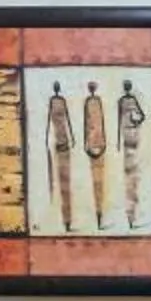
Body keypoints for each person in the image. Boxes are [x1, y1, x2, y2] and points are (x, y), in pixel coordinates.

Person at [43, 80, 77, 232]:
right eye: (56, 86)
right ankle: (65, 221)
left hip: (65, 144)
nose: (57, 88)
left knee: (66, 183)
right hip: (57, 143)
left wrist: (73, 137)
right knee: (61, 182)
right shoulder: (52, 101)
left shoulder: (62, 101)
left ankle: (68, 221)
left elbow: (68, 119)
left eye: (57, 87)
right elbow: (48, 122)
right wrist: (46, 139)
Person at [117, 80, 149, 229]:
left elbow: (141, 116)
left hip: (129, 136)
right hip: (128, 136)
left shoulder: (125, 100)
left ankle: (132, 215)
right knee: (130, 172)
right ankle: (130, 215)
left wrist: (134, 123)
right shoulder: (125, 101)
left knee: (131, 172)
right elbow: (140, 116)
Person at [82, 80, 109, 227]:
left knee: (100, 182)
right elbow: (85, 124)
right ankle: (98, 216)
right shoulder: (87, 102)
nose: (91, 89)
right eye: (90, 87)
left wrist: (104, 144)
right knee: (95, 182)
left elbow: (102, 122)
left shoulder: (98, 101)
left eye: (92, 87)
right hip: (91, 145)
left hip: (100, 144)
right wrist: (85, 146)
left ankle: (100, 215)